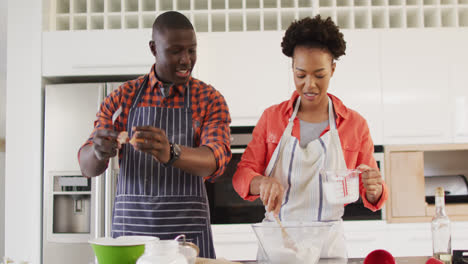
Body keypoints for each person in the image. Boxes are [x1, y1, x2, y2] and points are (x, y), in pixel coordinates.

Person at [78, 11, 231, 259]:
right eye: (175, 51)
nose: (186, 60)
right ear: (153, 48)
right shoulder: (122, 99)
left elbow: (217, 161)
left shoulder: (209, 99)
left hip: (187, 240)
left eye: (192, 51)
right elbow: (87, 167)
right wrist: (97, 151)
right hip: (131, 239)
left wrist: (171, 152)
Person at [232, 15, 388, 258]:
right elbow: (242, 175)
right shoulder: (272, 118)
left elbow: (373, 192)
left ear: (333, 69)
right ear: (292, 68)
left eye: (319, 74)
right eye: (301, 74)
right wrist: (262, 182)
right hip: (278, 243)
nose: (309, 85)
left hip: (328, 247)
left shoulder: (354, 124)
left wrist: (374, 188)